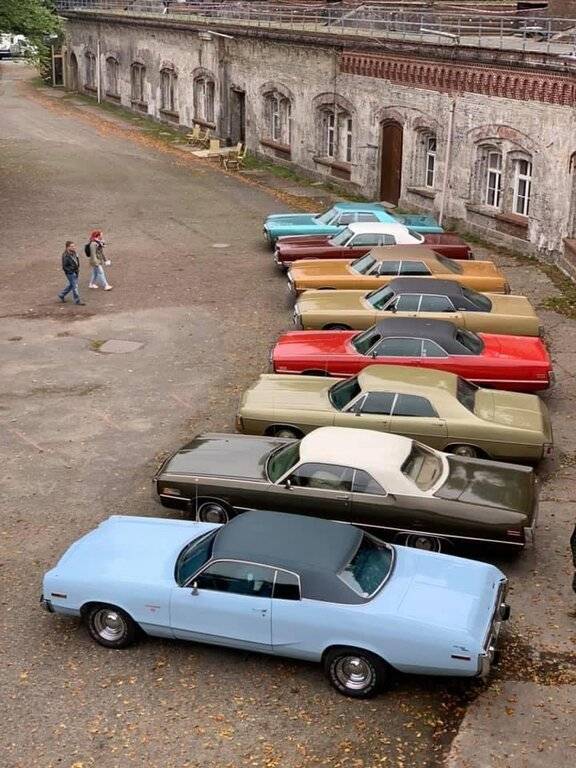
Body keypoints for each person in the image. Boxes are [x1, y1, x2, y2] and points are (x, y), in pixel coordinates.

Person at [58, 241, 85, 305]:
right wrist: (72, 271)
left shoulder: (74, 252)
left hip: (75, 271)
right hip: (71, 273)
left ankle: (62, 294)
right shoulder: (65, 255)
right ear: (67, 247)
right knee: (75, 286)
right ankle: (77, 300)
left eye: (74, 246)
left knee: (71, 285)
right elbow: (64, 267)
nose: (74, 247)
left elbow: (76, 261)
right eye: (72, 246)